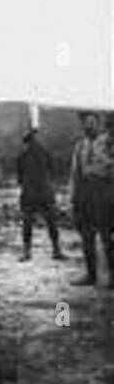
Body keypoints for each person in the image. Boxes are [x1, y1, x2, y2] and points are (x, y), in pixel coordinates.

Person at [68, 110, 114, 286]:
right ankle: (91, 275)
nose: (89, 126)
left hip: (104, 196)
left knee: (106, 237)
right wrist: (72, 197)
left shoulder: (108, 142)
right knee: (86, 237)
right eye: (86, 123)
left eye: (92, 122)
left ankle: (112, 277)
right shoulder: (80, 146)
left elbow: (110, 167)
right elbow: (74, 174)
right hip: (84, 197)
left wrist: (97, 170)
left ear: (98, 123)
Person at [16, 129, 64, 261]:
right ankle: (56, 250)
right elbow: (53, 172)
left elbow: (19, 178)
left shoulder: (22, 156)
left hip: (29, 193)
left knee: (27, 222)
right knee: (51, 222)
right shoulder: (46, 153)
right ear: (35, 140)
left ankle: (27, 252)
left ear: (27, 142)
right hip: (45, 192)